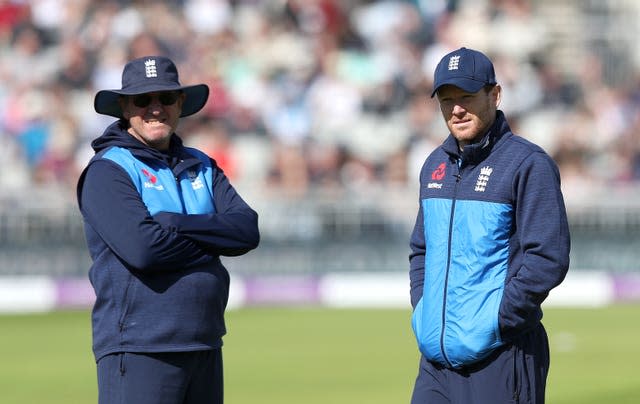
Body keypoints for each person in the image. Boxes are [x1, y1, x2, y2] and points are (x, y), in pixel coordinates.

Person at [76, 56, 260, 404]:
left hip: (204, 341)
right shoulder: (108, 170)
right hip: (140, 347)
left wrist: (174, 223)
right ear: (124, 107)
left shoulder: (202, 164)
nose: (156, 109)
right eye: (143, 100)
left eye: (166, 99)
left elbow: (246, 230)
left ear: (180, 104)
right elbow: (144, 249)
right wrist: (213, 240)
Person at [408, 47, 570, 403]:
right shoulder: (434, 165)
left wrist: (495, 322)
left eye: (466, 96)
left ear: (495, 95)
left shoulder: (528, 164)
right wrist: (425, 311)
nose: (456, 109)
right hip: (436, 363)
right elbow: (421, 249)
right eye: (447, 100)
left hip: (501, 356)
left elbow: (547, 259)